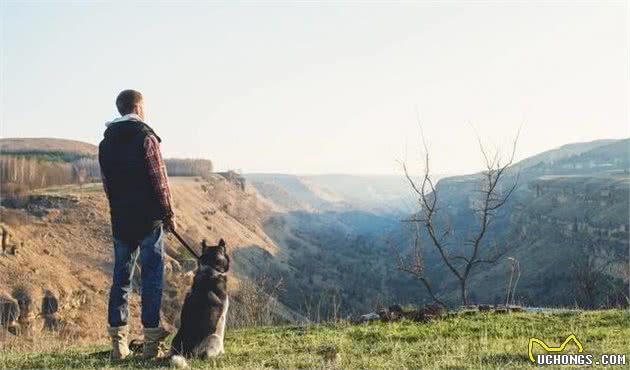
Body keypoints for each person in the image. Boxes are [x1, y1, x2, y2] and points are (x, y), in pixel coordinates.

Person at [99, 89, 176, 360]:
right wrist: (168, 212)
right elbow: (160, 181)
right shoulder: (146, 138)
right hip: (148, 220)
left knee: (121, 279)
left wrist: (120, 208)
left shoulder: (105, 143)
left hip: (121, 220)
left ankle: (118, 346)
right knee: (152, 280)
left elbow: (108, 185)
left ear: (120, 109)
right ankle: (152, 346)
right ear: (139, 108)